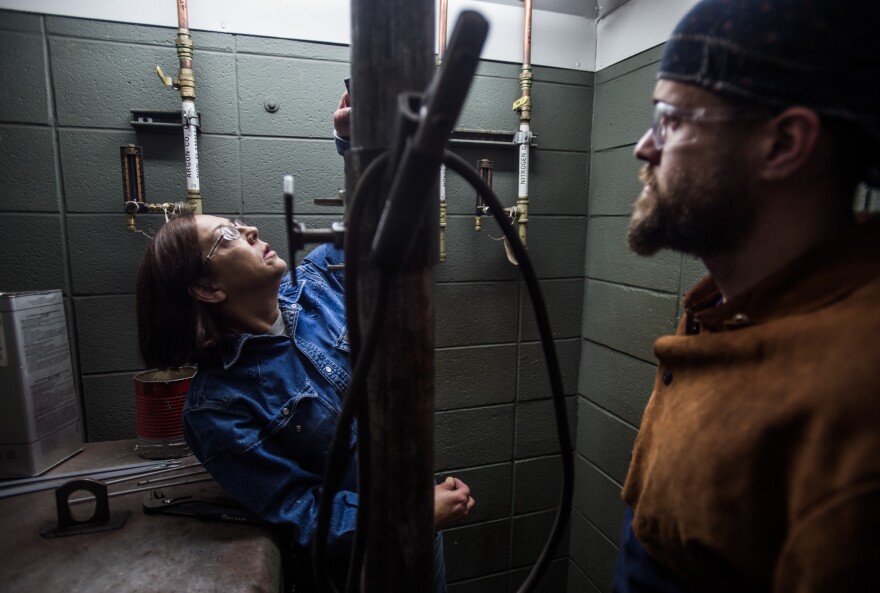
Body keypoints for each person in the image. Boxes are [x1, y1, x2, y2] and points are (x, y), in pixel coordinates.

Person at [614, 1, 880, 591]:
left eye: (670, 120)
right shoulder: (738, 310)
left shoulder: (854, 400)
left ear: (783, 143)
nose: (643, 147)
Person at [136, 214, 474, 592]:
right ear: (207, 288)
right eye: (228, 236)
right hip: (357, 565)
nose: (251, 231)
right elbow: (303, 511)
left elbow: (382, 220)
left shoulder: (318, 279)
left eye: (238, 223)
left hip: (426, 523)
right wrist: (407, 518)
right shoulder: (216, 409)